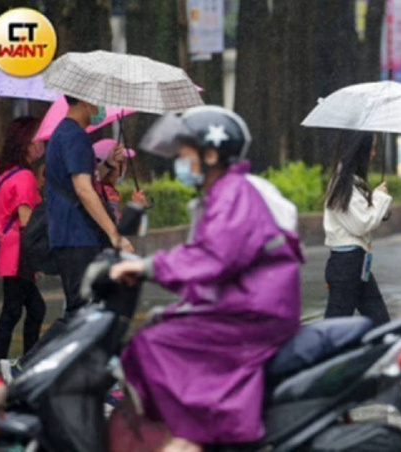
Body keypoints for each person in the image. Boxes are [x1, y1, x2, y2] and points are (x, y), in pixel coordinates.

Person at [108, 106, 303, 451]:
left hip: (254, 310)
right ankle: (192, 430)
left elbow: (214, 257)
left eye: (185, 154)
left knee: (153, 344)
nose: (181, 163)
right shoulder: (222, 193)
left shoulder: (233, 193)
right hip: (245, 303)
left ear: (211, 154)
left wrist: (147, 267)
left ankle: (200, 432)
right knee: (158, 327)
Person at [322, 132, 401, 411]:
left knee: (384, 327)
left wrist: (378, 199)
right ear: (358, 151)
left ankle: (395, 394)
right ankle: (319, 395)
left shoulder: (354, 183)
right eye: (370, 149)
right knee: (335, 334)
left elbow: (366, 217)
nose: (373, 154)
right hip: (346, 265)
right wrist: (381, 199)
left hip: (357, 264)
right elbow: (362, 224)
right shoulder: (342, 182)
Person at [45, 95, 134, 321]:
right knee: (80, 313)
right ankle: (35, 358)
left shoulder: (68, 133)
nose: (101, 107)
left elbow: (85, 180)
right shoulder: (74, 136)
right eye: (97, 101)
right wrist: (114, 235)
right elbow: (84, 190)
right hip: (76, 235)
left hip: (75, 234)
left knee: (86, 310)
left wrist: (107, 166)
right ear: (85, 102)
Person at [0, 117, 47, 368]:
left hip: (7, 250)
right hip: (19, 253)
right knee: (21, 310)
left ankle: (9, 362)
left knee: (26, 309)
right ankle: (14, 363)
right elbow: (27, 220)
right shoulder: (24, 175)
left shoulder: (5, 172)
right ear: (24, 143)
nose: (40, 145)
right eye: (36, 140)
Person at [93, 139, 147, 221]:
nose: (125, 166)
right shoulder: (108, 193)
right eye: (123, 161)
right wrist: (137, 208)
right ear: (113, 164)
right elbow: (117, 228)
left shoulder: (92, 189)